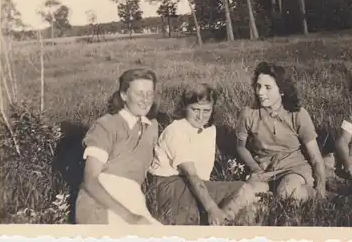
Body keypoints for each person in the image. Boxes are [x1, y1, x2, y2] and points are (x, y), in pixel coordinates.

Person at [149, 83, 269, 225]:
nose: (200, 116)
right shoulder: (176, 130)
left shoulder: (208, 130)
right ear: (185, 107)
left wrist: (255, 169)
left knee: (259, 193)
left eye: (206, 111)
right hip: (171, 187)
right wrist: (212, 208)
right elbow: (191, 175)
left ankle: (224, 223)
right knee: (245, 191)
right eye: (195, 109)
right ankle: (217, 226)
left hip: (195, 186)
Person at [75, 68, 162, 225]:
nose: (145, 99)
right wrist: (129, 218)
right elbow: (91, 180)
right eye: (139, 94)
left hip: (134, 198)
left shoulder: (152, 127)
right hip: (101, 201)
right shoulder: (106, 125)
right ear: (123, 95)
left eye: (149, 94)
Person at [236, 62, 327, 202]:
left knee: (286, 192)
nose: (260, 92)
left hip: (294, 169)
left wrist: (321, 190)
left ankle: (312, 193)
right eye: (258, 86)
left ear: (282, 91)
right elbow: (240, 147)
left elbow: (315, 157)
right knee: (245, 196)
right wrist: (254, 168)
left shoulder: (298, 115)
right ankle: (272, 198)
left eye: (268, 88)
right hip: (263, 171)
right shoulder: (248, 114)